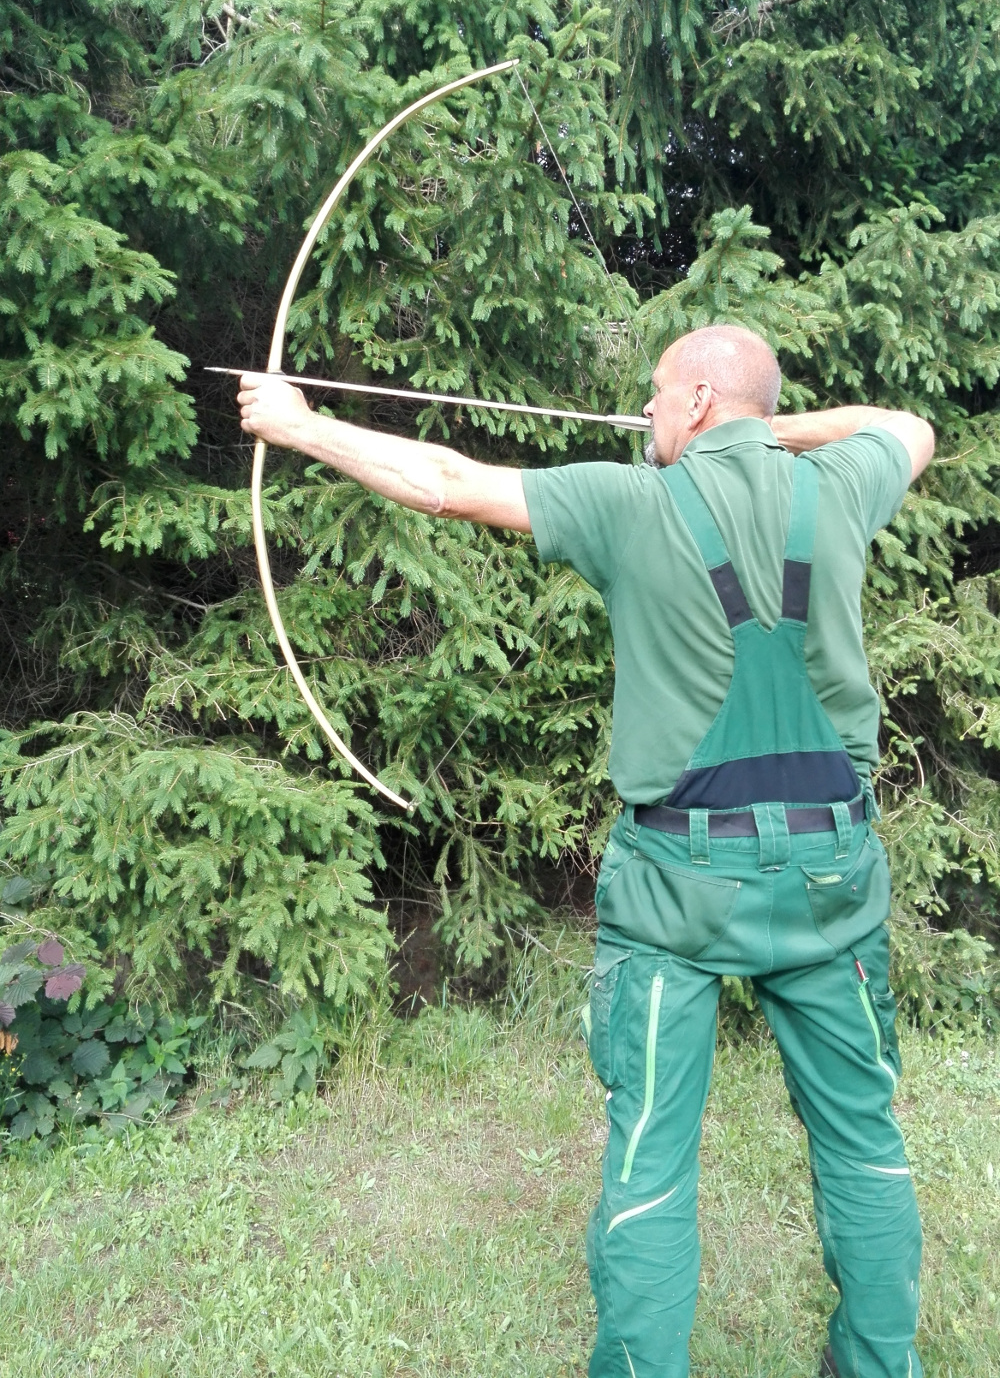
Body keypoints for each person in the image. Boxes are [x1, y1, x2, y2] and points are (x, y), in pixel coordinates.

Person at [237, 325, 934, 1378]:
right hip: (831, 878)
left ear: (697, 400)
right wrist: (763, 431)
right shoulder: (841, 484)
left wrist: (297, 426)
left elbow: (445, 482)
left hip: (677, 886)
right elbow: (906, 426)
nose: (645, 409)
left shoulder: (628, 502)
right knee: (864, 1143)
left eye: (659, 393)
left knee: (652, 1153)